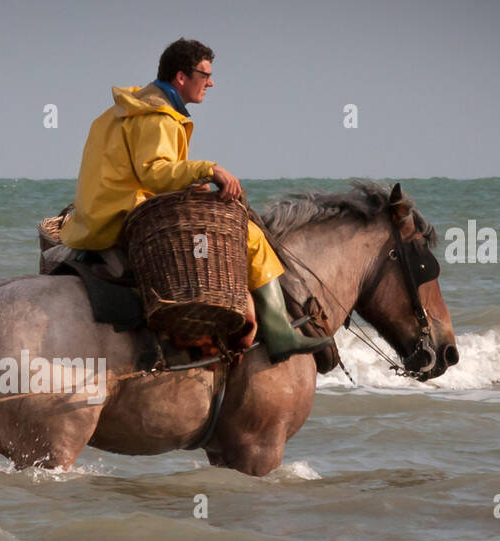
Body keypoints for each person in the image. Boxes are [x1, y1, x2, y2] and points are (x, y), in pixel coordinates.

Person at [59, 38, 332, 362]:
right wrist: (209, 169)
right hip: (124, 212)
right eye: (205, 75)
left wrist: (191, 184)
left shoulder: (128, 108)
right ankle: (279, 333)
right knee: (251, 236)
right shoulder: (156, 115)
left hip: (99, 211)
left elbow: (140, 172)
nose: (211, 82)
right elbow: (154, 171)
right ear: (181, 77)